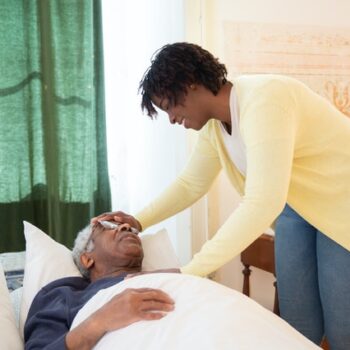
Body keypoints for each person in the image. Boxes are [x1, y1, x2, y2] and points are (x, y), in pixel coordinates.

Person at [93, 43, 350, 349]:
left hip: (342, 206)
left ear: (190, 84)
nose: (172, 119)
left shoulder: (265, 101)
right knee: (297, 326)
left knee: (342, 329)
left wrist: (191, 271)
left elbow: (262, 202)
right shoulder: (215, 128)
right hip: (297, 211)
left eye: (169, 106)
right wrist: (139, 219)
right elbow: (191, 183)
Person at [24, 221, 175, 350]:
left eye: (131, 228)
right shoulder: (64, 295)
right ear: (87, 259)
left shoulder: (176, 275)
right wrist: (99, 321)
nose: (126, 226)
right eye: (107, 227)